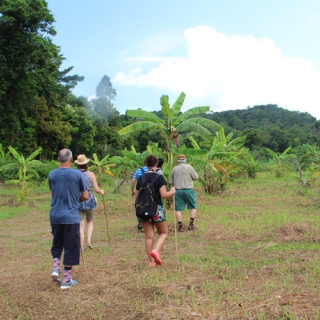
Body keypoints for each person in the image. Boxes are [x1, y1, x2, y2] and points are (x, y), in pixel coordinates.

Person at [49, 149, 89, 289]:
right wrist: (75, 199)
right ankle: (66, 279)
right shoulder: (77, 174)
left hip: (55, 215)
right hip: (70, 216)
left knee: (57, 242)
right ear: (71, 160)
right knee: (71, 246)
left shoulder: (52, 174)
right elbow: (85, 195)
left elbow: (54, 192)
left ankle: (55, 268)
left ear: (58, 159)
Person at [136, 155, 175, 267]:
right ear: (156, 164)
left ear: (146, 164)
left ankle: (151, 262)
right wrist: (172, 191)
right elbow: (163, 194)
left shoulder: (141, 178)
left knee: (149, 236)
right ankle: (156, 251)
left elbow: (137, 197)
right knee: (163, 232)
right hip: (156, 209)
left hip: (142, 210)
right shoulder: (159, 178)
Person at [75, 154, 105, 250]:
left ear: (77, 165)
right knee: (90, 221)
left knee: (80, 225)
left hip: (78, 201)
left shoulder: (74, 174)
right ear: (86, 164)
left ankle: (80, 246)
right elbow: (96, 189)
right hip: (90, 201)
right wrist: (101, 192)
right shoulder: (91, 174)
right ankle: (89, 241)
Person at [169, 154, 198, 232]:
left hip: (178, 191)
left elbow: (171, 182)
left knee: (178, 209)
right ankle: (191, 224)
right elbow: (196, 177)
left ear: (177, 160)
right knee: (193, 206)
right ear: (185, 160)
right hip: (188, 190)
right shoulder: (189, 167)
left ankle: (180, 226)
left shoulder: (174, 169)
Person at [131, 163, 148, 230]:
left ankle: (140, 222)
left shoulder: (139, 170)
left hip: (140, 190)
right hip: (150, 191)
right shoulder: (154, 170)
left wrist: (132, 190)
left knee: (138, 205)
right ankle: (147, 221)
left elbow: (133, 181)